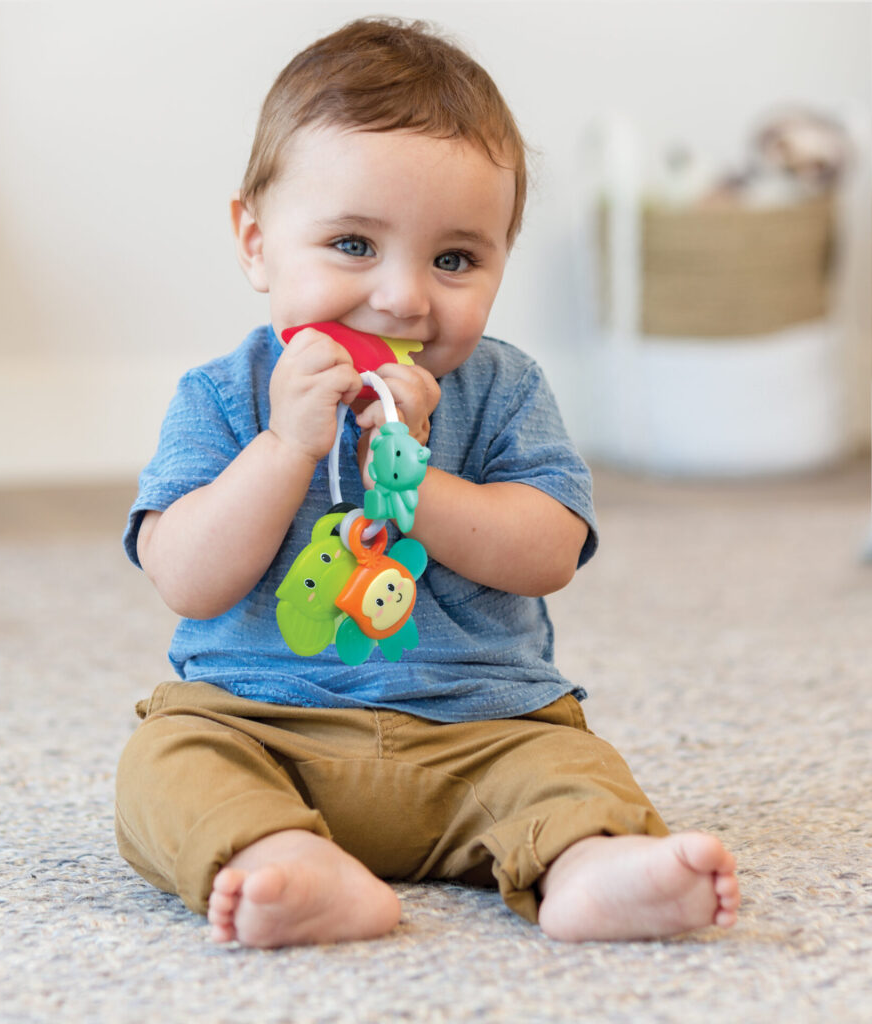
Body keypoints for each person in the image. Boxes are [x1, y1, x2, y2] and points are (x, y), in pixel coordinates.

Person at [115, 17, 739, 948]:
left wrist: (413, 481)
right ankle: (286, 859)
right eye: (352, 244)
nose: (404, 298)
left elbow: (548, 553)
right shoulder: (221, 394)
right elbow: (187, 579)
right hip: (264, 725)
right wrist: (284, 446)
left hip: (483, 730)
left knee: (570, 769)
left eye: (454, 260)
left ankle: (591, 868)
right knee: (166, 760)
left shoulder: (505, 388)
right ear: (255, 241)